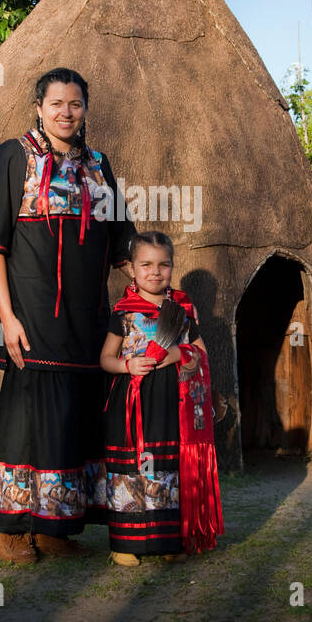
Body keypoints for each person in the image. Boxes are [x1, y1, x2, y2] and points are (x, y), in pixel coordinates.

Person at [0, 67, 136, 564]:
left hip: (87, 319)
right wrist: (7, 316)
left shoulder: (99, 165)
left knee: (73, 419)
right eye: (56, 104)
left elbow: (119, 240)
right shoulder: (14, 156)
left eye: (75, 104)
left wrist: (150, 289)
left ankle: (53, 526)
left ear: (85, 108)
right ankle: (12, 529)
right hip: (33, 314)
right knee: (28, 417)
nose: (66, 112)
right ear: (38, 107)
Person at [90, 230, 224, 565]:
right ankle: (127, 543)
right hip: (131, 403)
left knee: (167, 467)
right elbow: (105, 359)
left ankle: (167, 541)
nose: (155, 271)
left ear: (172, 267)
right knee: (131, 467)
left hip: (171, 404)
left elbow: (201, 355)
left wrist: (182, 355)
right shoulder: (124, 312)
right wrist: (128, 364)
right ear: (132, 270)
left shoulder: (181, 310)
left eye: (164, 265)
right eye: (146, 264)